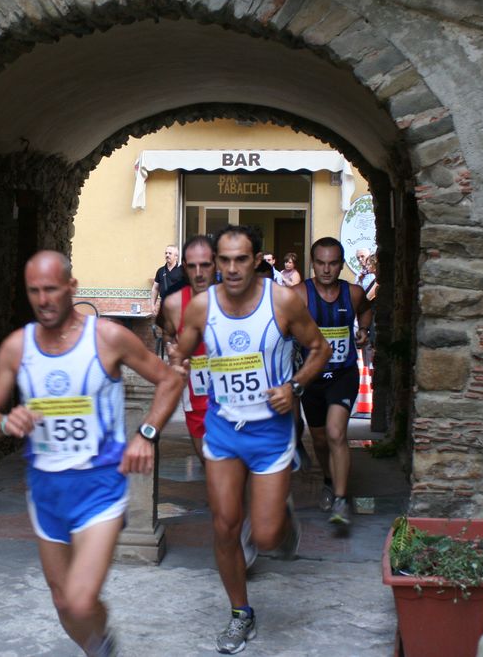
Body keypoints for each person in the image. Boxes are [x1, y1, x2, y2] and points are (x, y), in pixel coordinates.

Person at [0, 250, 183, 656]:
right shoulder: (17, 347)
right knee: (64, 603)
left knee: (81, 600)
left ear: (71, 287)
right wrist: (4, 421)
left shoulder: (107, 338)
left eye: (51, 289)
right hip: (46, 490)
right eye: (34, 291)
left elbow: (169, 381)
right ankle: (102, 646)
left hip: (100, 486)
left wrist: (146, 434)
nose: (43, 300)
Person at [174, 226, 332, 654]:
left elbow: (319, 349)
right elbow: (181, 355)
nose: (231, 268)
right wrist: (176, 362)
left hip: (271, 432)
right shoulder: (201, 307)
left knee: (264, 536)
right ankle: (240, 613)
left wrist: (294, 387)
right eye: (223, 260)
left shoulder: (282, 301)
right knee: (225, 526)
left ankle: (281, 518)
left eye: (240, 259)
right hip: (224, 430)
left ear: (257, 260)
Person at [292, 237, 372, 528]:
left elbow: (366, 309)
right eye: (321, 263)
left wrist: (363, 329)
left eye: (333, 263)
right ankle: (329, 480)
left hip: (343, 374)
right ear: (313, 263)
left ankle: (340, 499)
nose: (326, 270)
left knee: (336, 433)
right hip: (311, 378)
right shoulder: (299, 294)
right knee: (320, 440)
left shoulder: (353, 293)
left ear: (341, 264)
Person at [159, 235, 216, 465]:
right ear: (184, 266)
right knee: (208, 462)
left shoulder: (233, 298)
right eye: (192, 266)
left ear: (216, 263)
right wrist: (172, 350)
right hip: (195, 392)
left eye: (205, 265)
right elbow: (167, 333)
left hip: (232, 396)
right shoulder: (173, 303)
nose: (199, 273)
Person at [151, 244, 184, 316]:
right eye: (166, 253)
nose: (167, 255)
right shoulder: (160, 271)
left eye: (170, 253)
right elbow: (155, 288)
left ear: (176, 256)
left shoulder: (183, 270)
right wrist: (153, 305)